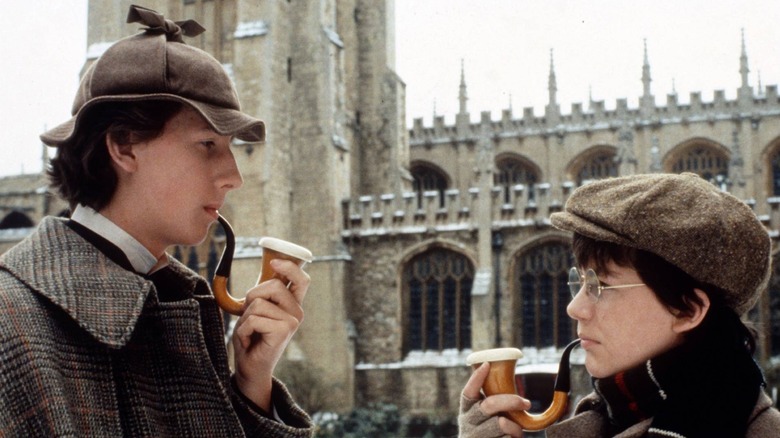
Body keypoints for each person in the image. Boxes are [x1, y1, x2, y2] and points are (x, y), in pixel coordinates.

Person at [0, 6, 313, 437]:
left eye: (230, 147)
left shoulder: (180, 307)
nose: (234, 177)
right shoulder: (10, 324)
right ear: (125, 147)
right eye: (207, 144)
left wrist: (251, 384)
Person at [459, 172, 780, 437]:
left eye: (602, 286)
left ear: (688, 309)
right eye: (581, 283)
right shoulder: (600, 420)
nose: (574, 308)